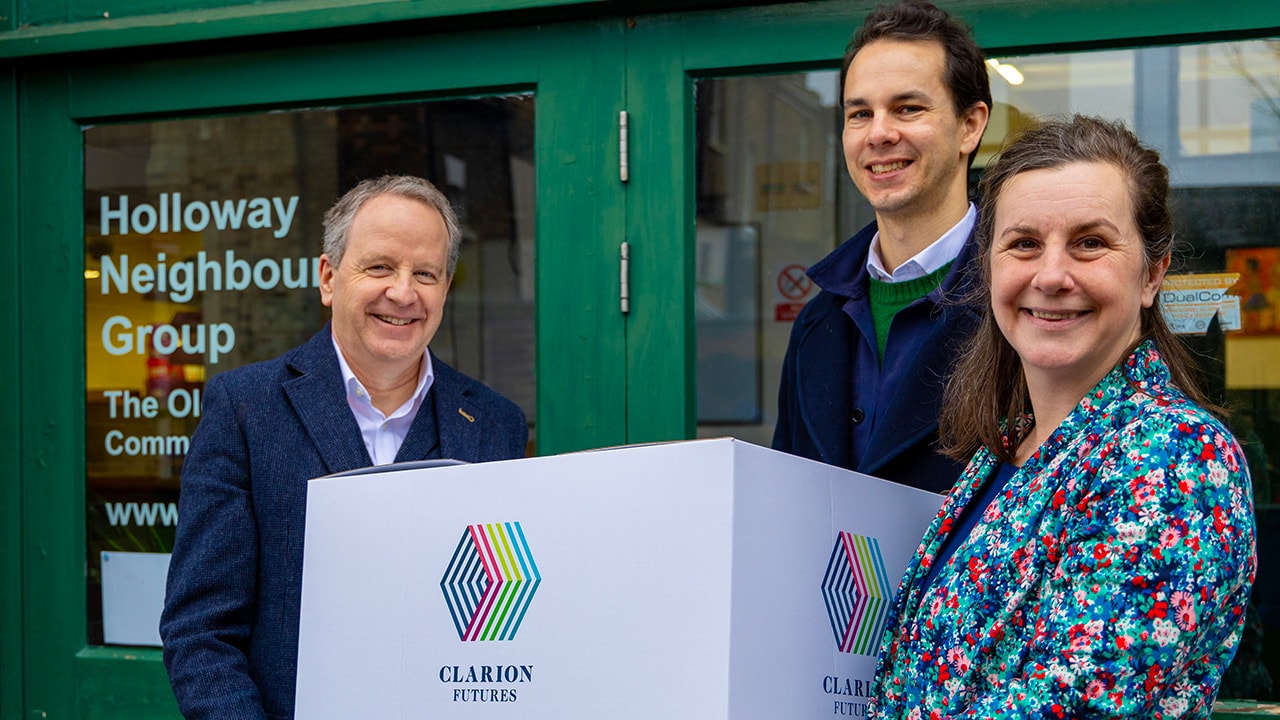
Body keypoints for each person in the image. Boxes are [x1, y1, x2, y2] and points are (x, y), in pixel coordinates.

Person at [870, 116, 1256, 717]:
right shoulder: (1009, 447)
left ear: (1153, 273)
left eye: (1090, 243)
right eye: (1024, 243)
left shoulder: (1175, 457)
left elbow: (1069, 705)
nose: (1050, 276)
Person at [159, 175, 528, 720]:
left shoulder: (496, 424)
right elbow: (201, 630)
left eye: (425, 273)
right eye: (379, 267)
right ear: (329, 277)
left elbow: (506, 617)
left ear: (445, 290)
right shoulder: (246, 408)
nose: (403, 292)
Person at [772, 0, 991, 493]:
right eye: (859, 113)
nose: (879, 134)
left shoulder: (1025, 302)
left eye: (907, 108)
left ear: (970, 125)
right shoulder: (817, 322)